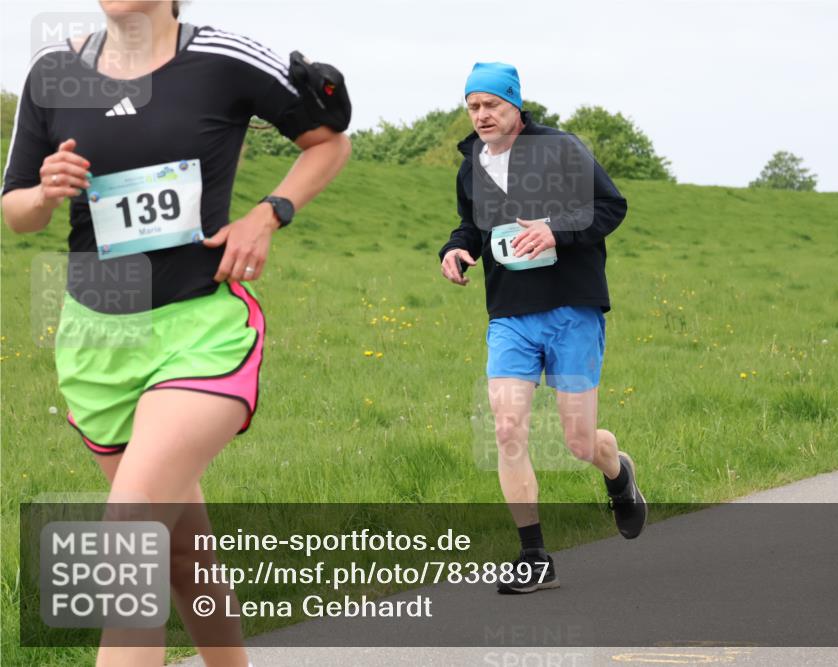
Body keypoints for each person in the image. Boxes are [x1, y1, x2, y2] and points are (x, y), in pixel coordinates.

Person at [2, 1, 351, 664]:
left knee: (130, 537)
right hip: (96, 342)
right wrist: (45, 193)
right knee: (184, 550)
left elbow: (330, 137)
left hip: (199, 329)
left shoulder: (223, 57)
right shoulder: (52, 75)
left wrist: (268, 214)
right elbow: (14, 209)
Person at [438, 62, 646, 595]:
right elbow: (472, 225)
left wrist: (555, 231)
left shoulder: (560, 149)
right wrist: (456, 248)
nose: (481, 115)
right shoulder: (471, 167)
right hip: (509, 313)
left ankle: (617, 473)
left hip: (571, 307)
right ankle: (533, 556)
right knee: (506, 429)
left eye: (491, 105)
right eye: (473, 107)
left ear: (515, 104)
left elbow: (609, 206)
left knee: (579, 443)